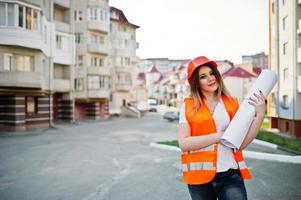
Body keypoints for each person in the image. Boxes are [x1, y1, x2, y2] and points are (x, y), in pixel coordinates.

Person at [178, 56, 266, 200]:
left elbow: (241, 144)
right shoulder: (188, 106)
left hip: (230, 175)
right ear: (196, 82)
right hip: (198, 177)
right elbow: (183, 143)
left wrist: (260, 114)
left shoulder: (232, 104)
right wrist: (218, 136)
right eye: (203, 76)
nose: (211, 78)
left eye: (212, 73)